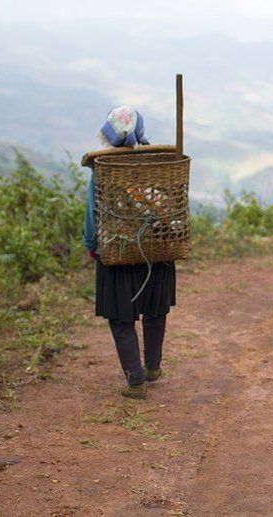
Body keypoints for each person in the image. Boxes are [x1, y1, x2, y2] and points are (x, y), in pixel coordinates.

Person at [83, 106, 176, 399]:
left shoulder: (105, 168)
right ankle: (152, 367)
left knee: (122, 318)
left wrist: (91, 245)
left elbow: (92, 214)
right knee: (154, 309)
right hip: (157, 248)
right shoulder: (160, 163)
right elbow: (176, 205)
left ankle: (136, 382)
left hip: (118, 250)